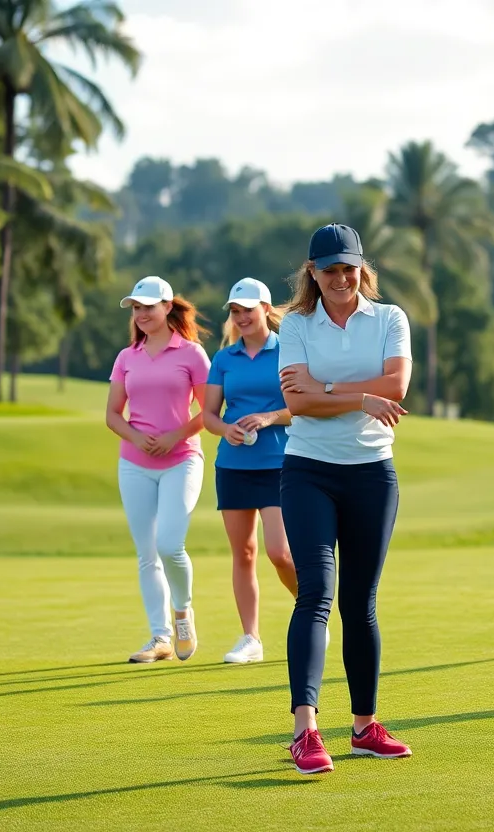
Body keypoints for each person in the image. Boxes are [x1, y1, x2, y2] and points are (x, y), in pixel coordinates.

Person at [277, 223, 413, 775]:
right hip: (308, 471)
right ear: (312, 272)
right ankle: (305, 731)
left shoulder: (390, 318)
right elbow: (297, 403)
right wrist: (359, 397)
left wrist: (325, 389)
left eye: (348, 268)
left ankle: (363, 728)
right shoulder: (295, 324)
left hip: (372, 474)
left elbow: (396, 387)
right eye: (329, 269)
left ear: (362, 269)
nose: (340, 278)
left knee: (361, 603)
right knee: (315, 594)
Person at [105, 276, 211, 664]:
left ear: (167, 307)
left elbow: (210, 411)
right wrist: (137, 437)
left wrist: (174, 436)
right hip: (134, 464)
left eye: (148, 306)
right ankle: (160, 636)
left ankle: (182, 613)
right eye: (136, 308)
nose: (141, 313)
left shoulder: (192, 354)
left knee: (169, 545)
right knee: (147, 554)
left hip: (182, 460)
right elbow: (112, 415)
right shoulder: (127, 357)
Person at [201, 277, 301, 664]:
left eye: (248, 310)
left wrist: (269, 417)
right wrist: (226, 429)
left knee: (280, 552)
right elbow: (209, 416)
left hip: (279, 464)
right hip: (233, 465)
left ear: (265, 309)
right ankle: (251, 638)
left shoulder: (288, 351)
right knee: (243, 553)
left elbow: (302, 407)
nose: (241, 317)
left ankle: (311, 611)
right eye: (235, 311)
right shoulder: (224, 359)